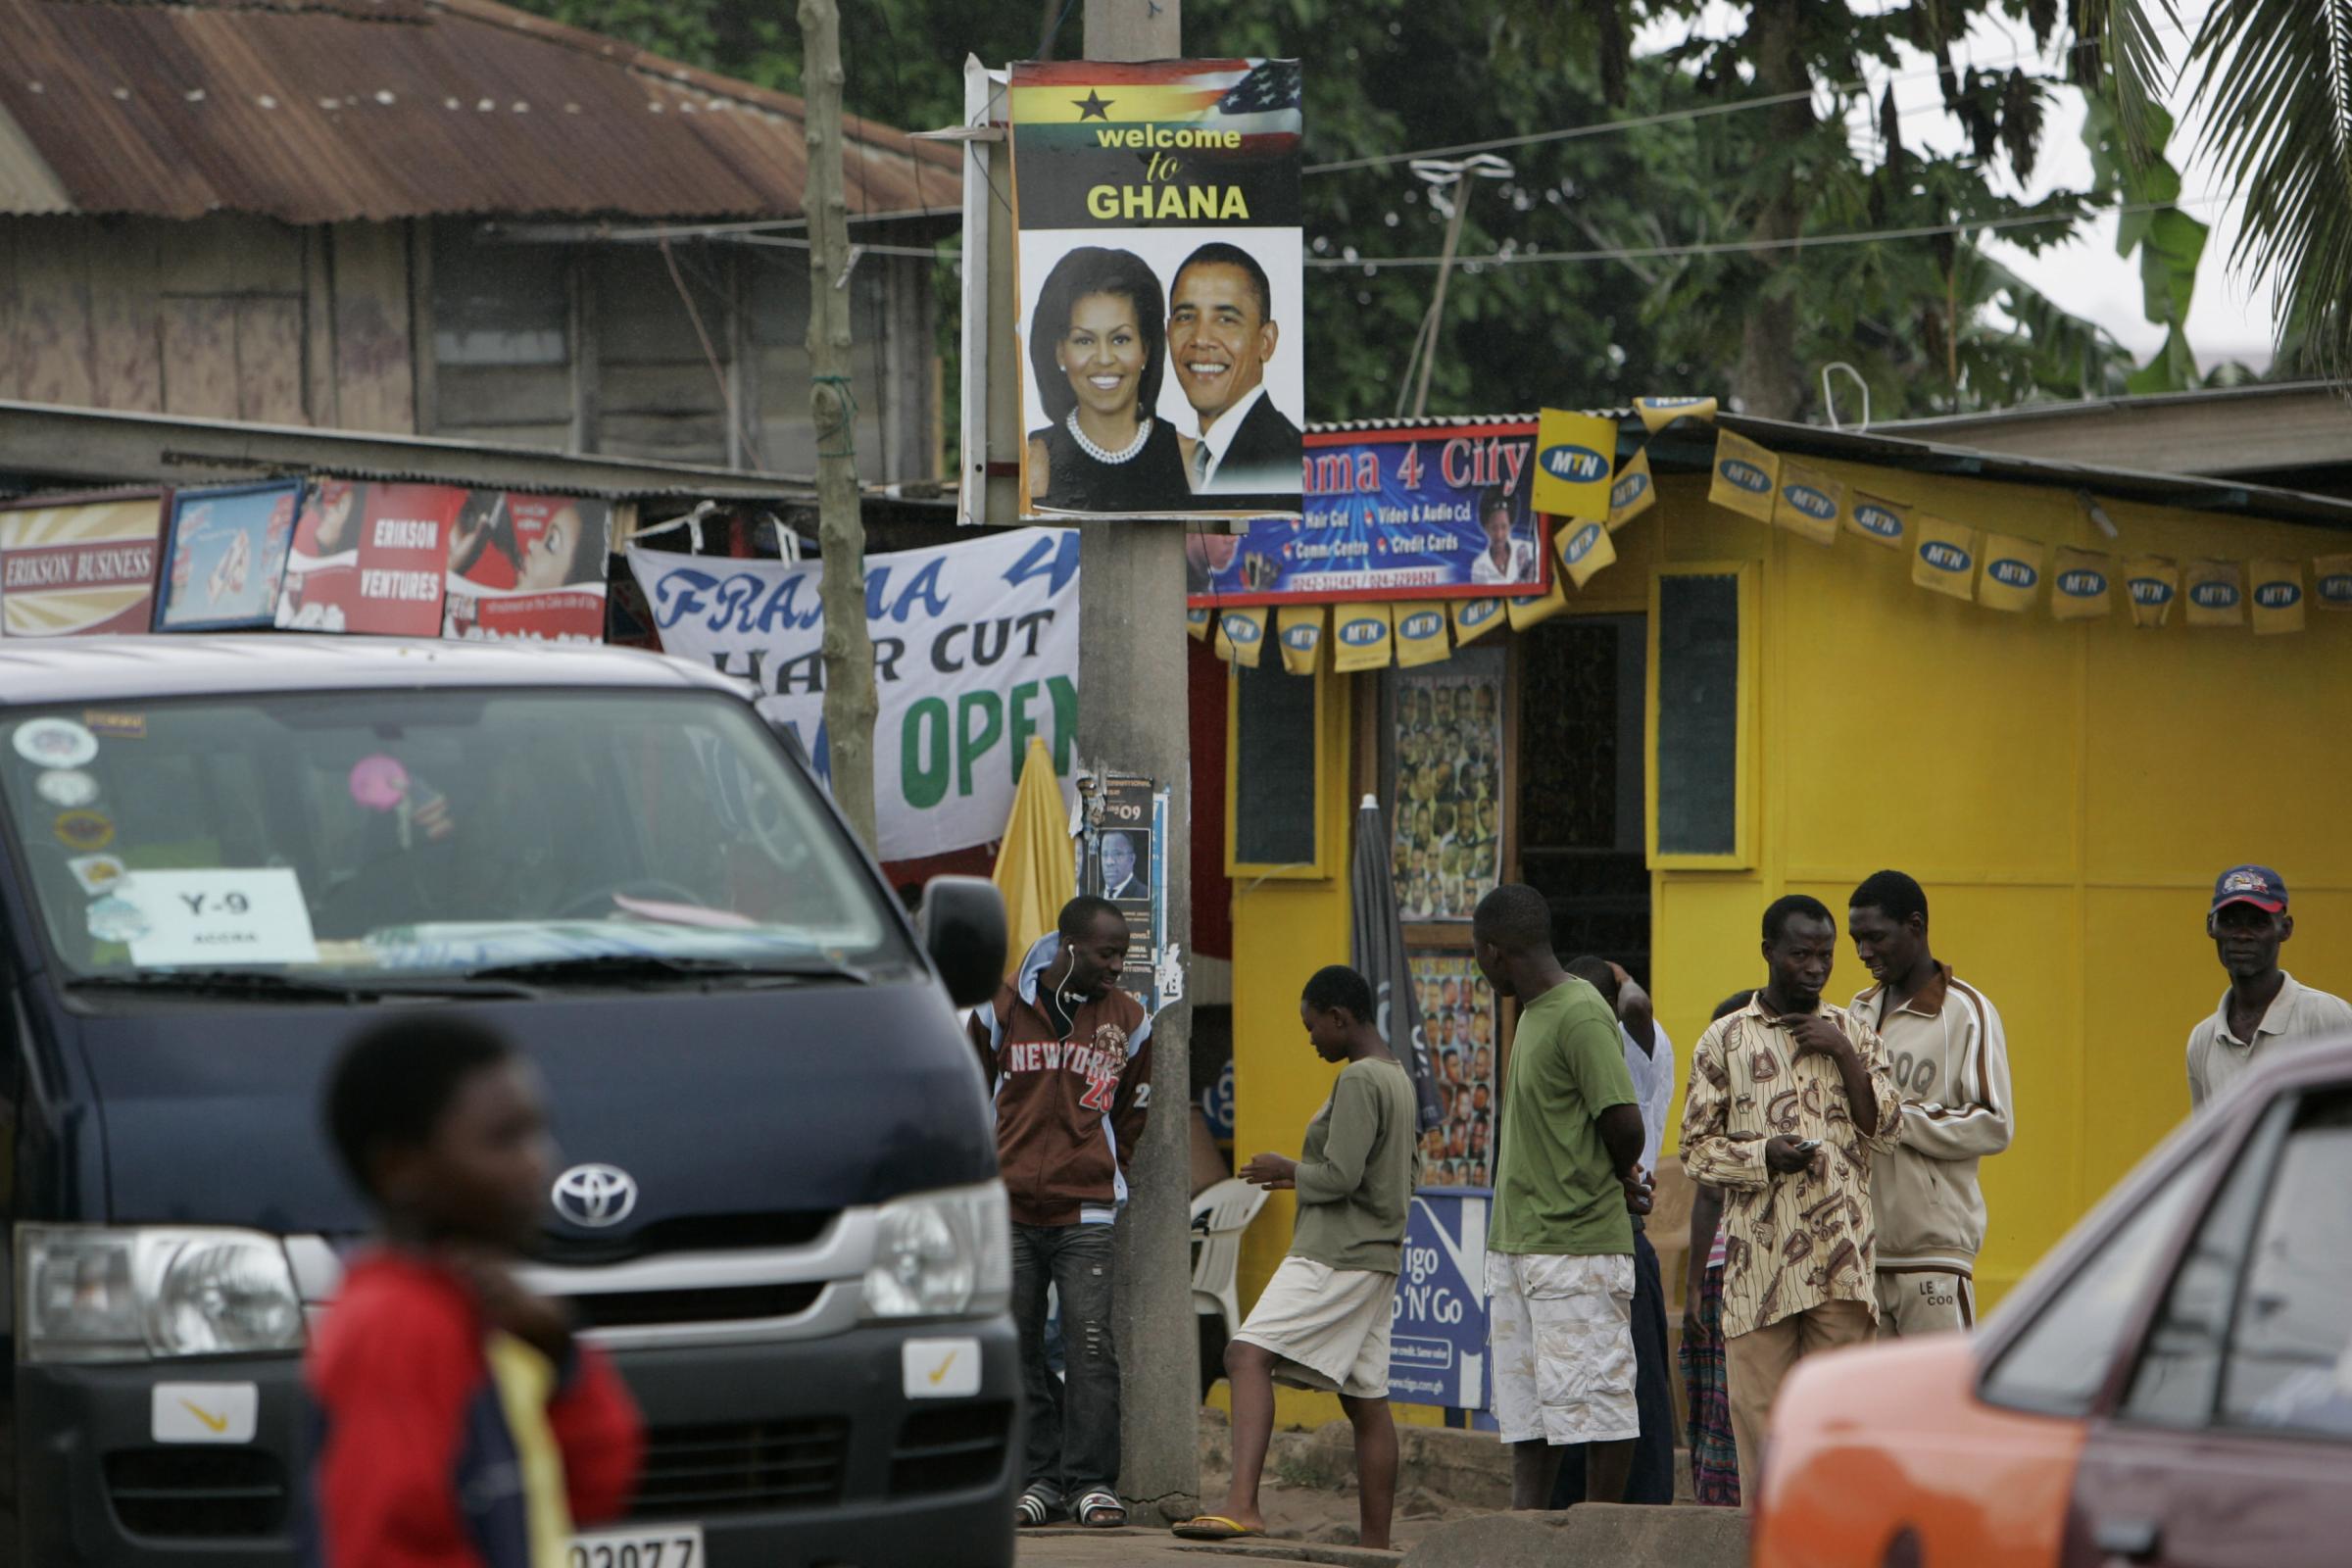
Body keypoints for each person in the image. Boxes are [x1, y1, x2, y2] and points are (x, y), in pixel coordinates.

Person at [306, 1015, 643, 1564]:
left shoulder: (479, 1308)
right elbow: (384, 1543)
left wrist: (560, 1354)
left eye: (537, 1132)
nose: (541, 1164)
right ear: (400, 1169)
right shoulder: (394, 1326)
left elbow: (594, 1491)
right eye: (505, 1139)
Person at [1175, 966, 1420, 1546]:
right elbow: (1393, 1174)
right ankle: (1374, 1543)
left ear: (1340, 1018)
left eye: (1313, 1027)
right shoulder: (1398, 1077)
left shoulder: (1360, 1080)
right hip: (1377, 1255)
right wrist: (1299, 1176)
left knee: (1244, 1355)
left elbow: (1341, 1175)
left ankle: (1243, 1505)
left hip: (1336, 1253)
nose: (1310, 1039)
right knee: (1365, 1399)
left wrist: (1287, 1170)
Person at [1681, 896, 1900, 1502]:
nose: (1815, 967)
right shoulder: (1724, 1040)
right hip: (1758, 1272)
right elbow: (1695, 1150)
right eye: (1801, 954)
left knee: (1836, 1437)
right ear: (1768, 953)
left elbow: (1886, 1131)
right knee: (1764, 1439)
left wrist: (1842, 1052)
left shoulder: (1855, 1032)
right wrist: (1761, 1156)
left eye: (1825, 956)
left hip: (1841, 1266)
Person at [969, 896, 1153, 1529]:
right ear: (1070, 947)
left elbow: (1133, 1111)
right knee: (1017, 1345)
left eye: (1123, 956)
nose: (1116, 968)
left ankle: (1092, 1482)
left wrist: (1107, 1170)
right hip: (1008, 1209)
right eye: (1107, 954)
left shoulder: (1129, 1019)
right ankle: (1036, 1479)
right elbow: (968, 1092)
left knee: (1091, 1346)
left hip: (1086, 1214)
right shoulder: (998, 1010)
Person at [1474, 884, 1651, 1509]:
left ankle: (1596, 1536)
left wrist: (1614, 1176)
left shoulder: (1577, 1010)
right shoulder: (1534, 1012)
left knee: (1599, 1405)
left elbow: (1625, 1122)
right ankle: (1526, 1530)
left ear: (1493, 952)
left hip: (1575, 1248)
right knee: (1529, 1414)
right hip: (1521, 1244)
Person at [1846, 870, 2015, 1337]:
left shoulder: (1967, 1012)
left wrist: (1891, 1117)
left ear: (1915, 927)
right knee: (1873, 1410)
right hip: (1863, 1256)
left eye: (1875, 937)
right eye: (1856, 940)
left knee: (1938, 1405)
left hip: (1934, 1253)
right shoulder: (1856, 1011)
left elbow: (1993, 1123)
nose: (1864, 953)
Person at [1548, 956, 1679, 1508]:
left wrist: (1621, 980)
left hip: (1624, 1237)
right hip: (1577, 1240)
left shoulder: (1636, 1043)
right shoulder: (1570, 1048)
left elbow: (1637, 1007)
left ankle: (1637, 1513)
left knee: (1636, 1387)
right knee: (1580, 1388)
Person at [1025, 247, 1194, 514]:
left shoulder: (1191, 460)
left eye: (1120, 339)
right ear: (1059, 352)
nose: (1104, 358)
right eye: (1084, 340)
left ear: (1145, 350)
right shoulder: (1034, 462)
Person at [2186, 864, 2352, 1110]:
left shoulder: (2328, 1017)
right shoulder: (2203, 1040)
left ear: (2285, 929)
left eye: (2258, 923)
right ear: (2211, 926)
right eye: (2230, 921)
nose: (2242, 935)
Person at [1681, 990, 1756, 1507]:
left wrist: (1690, 1290)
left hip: (1724, 1271)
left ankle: (1718, 1511)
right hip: (1768, 1269)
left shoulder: (1719, 1102)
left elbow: (1709, 1193)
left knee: (1716, 1405)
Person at [1167, 242, 1300, 499]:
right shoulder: (1166, 464)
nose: (1201, 338)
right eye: (1185, 317)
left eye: (1226, 320)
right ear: (1167, 333)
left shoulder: (1288, 465)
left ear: (1266, 342)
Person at [1469, 487, 1539, 585]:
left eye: (1504, 527)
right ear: (1486, 528)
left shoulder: (1529, 549)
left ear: (1511, 524)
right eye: (1494, 528)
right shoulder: (1479, 566)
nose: (1499, 535)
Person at [1099, 830, 1144, 901]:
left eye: (1117, 854)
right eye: (1105, 854)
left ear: (1132, 859)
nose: (1109, 862)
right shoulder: (1097, 898)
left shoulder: (1144, 895)